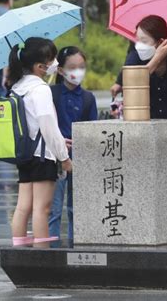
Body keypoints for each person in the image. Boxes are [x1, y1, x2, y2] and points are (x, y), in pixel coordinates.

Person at [6, 37, 72, 247]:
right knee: (42, 209)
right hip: (43, 156)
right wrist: (64, 157)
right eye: (51, 59)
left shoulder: (17, 87)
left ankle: (19, 251)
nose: (54, 63)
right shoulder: (41, 90)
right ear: (39, 66)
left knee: (23, 207)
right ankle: (42, 255)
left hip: (25, 153)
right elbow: (48, 127)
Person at [48, 46, 98, 241]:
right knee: (54, 209)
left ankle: (75, 245)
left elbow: (92, 129)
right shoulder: (51, 94)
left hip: (80, 159)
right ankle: (51, 249)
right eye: (72, 67)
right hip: (56, 158)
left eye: (81, 66)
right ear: (60, 70)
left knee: (76, 208)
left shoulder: (88, 98)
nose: (77, 71)